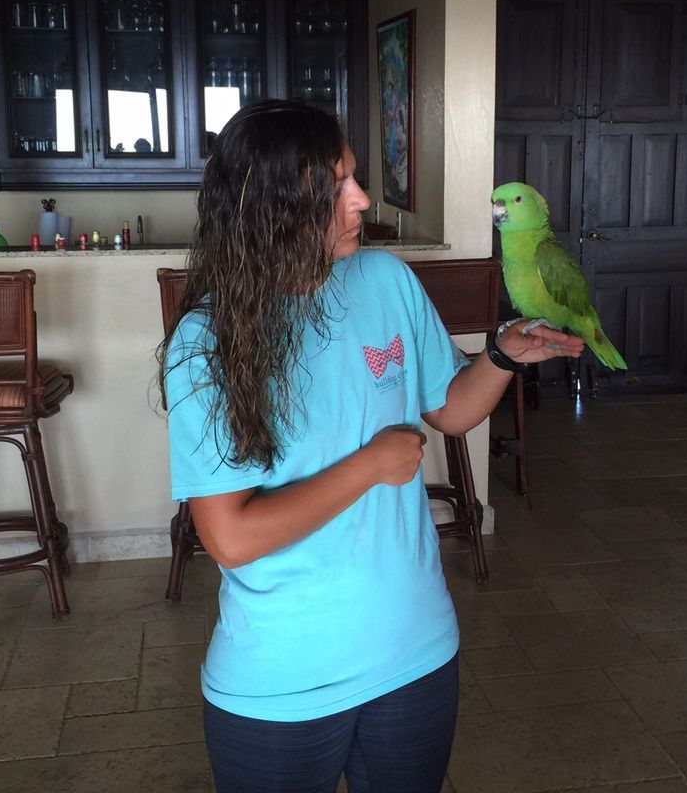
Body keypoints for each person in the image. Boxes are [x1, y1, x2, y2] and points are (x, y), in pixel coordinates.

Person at [160, 100, 583, 793]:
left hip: (414, 654)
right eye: (335, 186)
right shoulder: (207, 343)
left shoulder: (385, 281)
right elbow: (230, 537)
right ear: (272, 206)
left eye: (355, 176)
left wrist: (503, 357)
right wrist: (368, 467)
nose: (360, 199)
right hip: (281, 682)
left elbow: (450, 408)